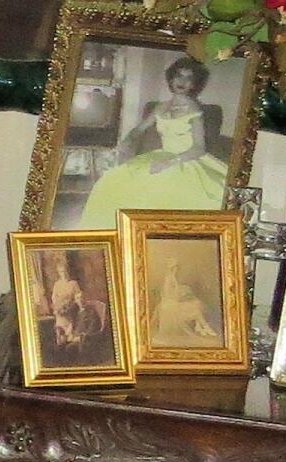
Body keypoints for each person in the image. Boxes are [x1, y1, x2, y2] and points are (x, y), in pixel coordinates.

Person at [80, 63, 231, 226]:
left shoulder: (194, 110)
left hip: (186, 159)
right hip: (162, 153)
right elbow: (139, 129)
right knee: (114, 178)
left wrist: (170, 162)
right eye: (179, 76)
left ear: (194, 84)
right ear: (171, 79)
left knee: (165, 179)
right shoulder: (161, 107)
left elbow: (199, 148)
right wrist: (128, 140)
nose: (182, 81)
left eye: (189, 78)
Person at [147, 245, 222, 352]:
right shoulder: (168, 278)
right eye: (175, 268)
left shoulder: (172, 277)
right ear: (172, 268)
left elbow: (174, 291)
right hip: (170, 305)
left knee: (196, 303)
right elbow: (168, 294)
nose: (176, 270)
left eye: (177, 268)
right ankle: (205, 327)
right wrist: (181, 294)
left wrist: (182, 292)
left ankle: (200, 327)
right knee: (196, 309)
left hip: (173, 303)